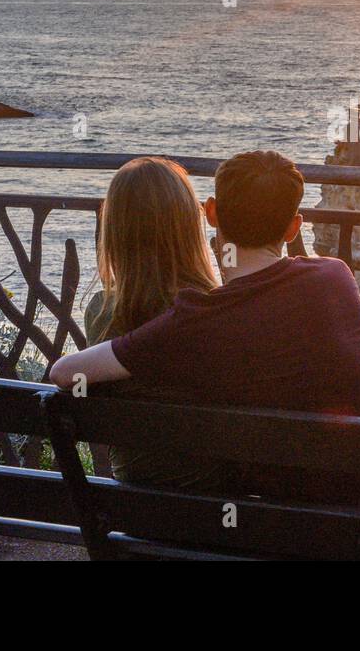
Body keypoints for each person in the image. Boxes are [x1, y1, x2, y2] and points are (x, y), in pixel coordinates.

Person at [50, 149, 360, 512]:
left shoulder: (185, 319)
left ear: (211, 213)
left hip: (211, 520)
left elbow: (66, 373)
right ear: (296, 225)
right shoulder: (335, 275)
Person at [81, 157, 218, 485]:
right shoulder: (216, 309)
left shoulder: (102, 311)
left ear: (114, 230)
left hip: (134, 508)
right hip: (220, 511)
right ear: (189, 226)